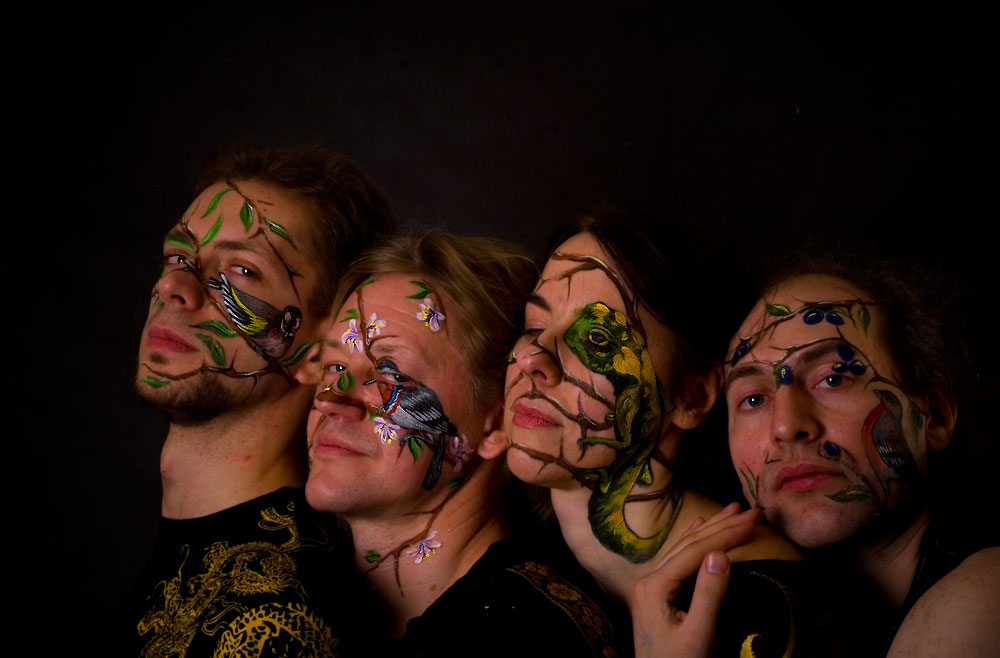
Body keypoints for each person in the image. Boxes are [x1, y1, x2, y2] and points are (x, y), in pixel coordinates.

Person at [504, 210, 834, 657]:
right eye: (534, 328)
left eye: (598, 339)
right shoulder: (527, 581)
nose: (532, 358)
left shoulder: (759, 601)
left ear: (692, 398)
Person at [122, 144, 395, 657]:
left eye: (243, 271)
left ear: (319, 352)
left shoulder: (277, 615)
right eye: (178, 256)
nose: (175, 285)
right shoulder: (185, 554)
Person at [304, 233, 621, 658]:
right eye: (335, 365)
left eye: (391, 373)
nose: (330, 399)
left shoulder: (533, 638)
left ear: (497, 424)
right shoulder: (294, 591)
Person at [722, 262, 1000, 656]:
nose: (786, 426)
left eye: (833, 378)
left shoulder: (985, 597)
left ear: (935, 416)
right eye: (753, 399)